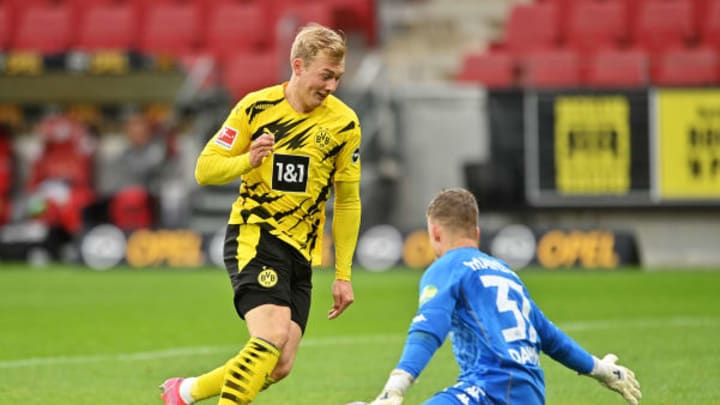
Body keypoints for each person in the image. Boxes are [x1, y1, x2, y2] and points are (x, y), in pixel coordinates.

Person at [161, 23, 362, 405]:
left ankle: (185, 392)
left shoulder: (344, 124)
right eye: (325, 75)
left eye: (337, 77)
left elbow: (349, 200)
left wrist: (343, 274)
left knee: (279, 364)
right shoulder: (256, 107)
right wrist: (247, 158)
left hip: (302, 252)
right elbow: (205, 168)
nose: (332, 86)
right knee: (270, 337)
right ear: (298, 65)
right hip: (255, 236)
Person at [354, 188, 641, 405]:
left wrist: (395, 387)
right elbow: (550, 337)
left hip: (491, 388)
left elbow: (428, 328)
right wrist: (602, 370)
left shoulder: (446, 267)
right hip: (529, 394)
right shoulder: (507, 273)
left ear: (436, 233)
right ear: (476, 232)